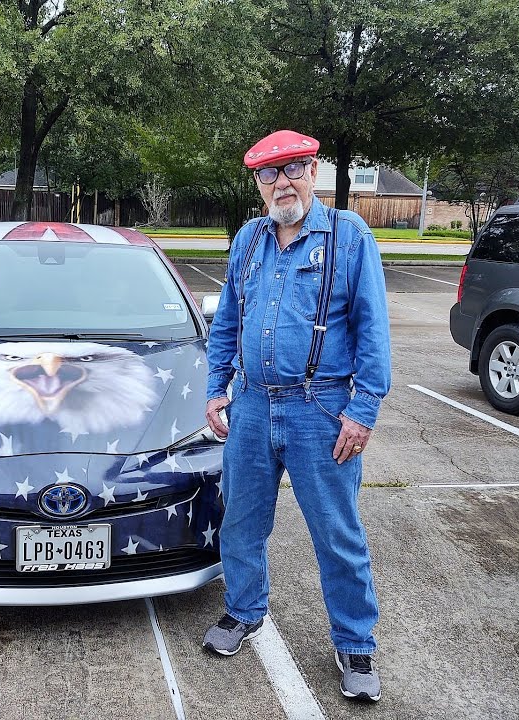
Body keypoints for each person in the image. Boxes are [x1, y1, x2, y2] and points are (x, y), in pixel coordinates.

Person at [201, 129, 392, 703]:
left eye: (293, 170)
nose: (281, 182)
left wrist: (362, 411)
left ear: (312, 171)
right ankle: (243, 611)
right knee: (241, 521)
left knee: (336, 532)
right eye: (269, 174)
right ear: (257, 183)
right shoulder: (248, 239)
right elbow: (228, 323)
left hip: (321, 409)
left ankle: (355, 641)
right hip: (254, 405)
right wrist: (217, 389)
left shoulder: (348, 235)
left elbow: (372, 330)